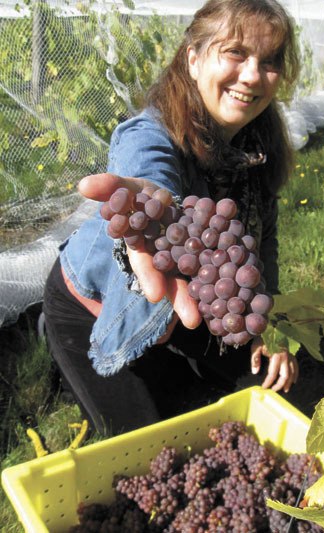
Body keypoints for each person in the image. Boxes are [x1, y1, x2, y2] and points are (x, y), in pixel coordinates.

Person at [43, 0, 300, 436]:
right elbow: (147, 169)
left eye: (270, 61)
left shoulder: (260, 148)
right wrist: (153, 206)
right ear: (194, 59)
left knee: (270, 392)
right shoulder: (152, 132)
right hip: (95, 305)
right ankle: (64, 346)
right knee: (146, 446)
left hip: (189, 301)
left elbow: (264, 243)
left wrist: (270, 327)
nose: (253, 75)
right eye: (236, 53)